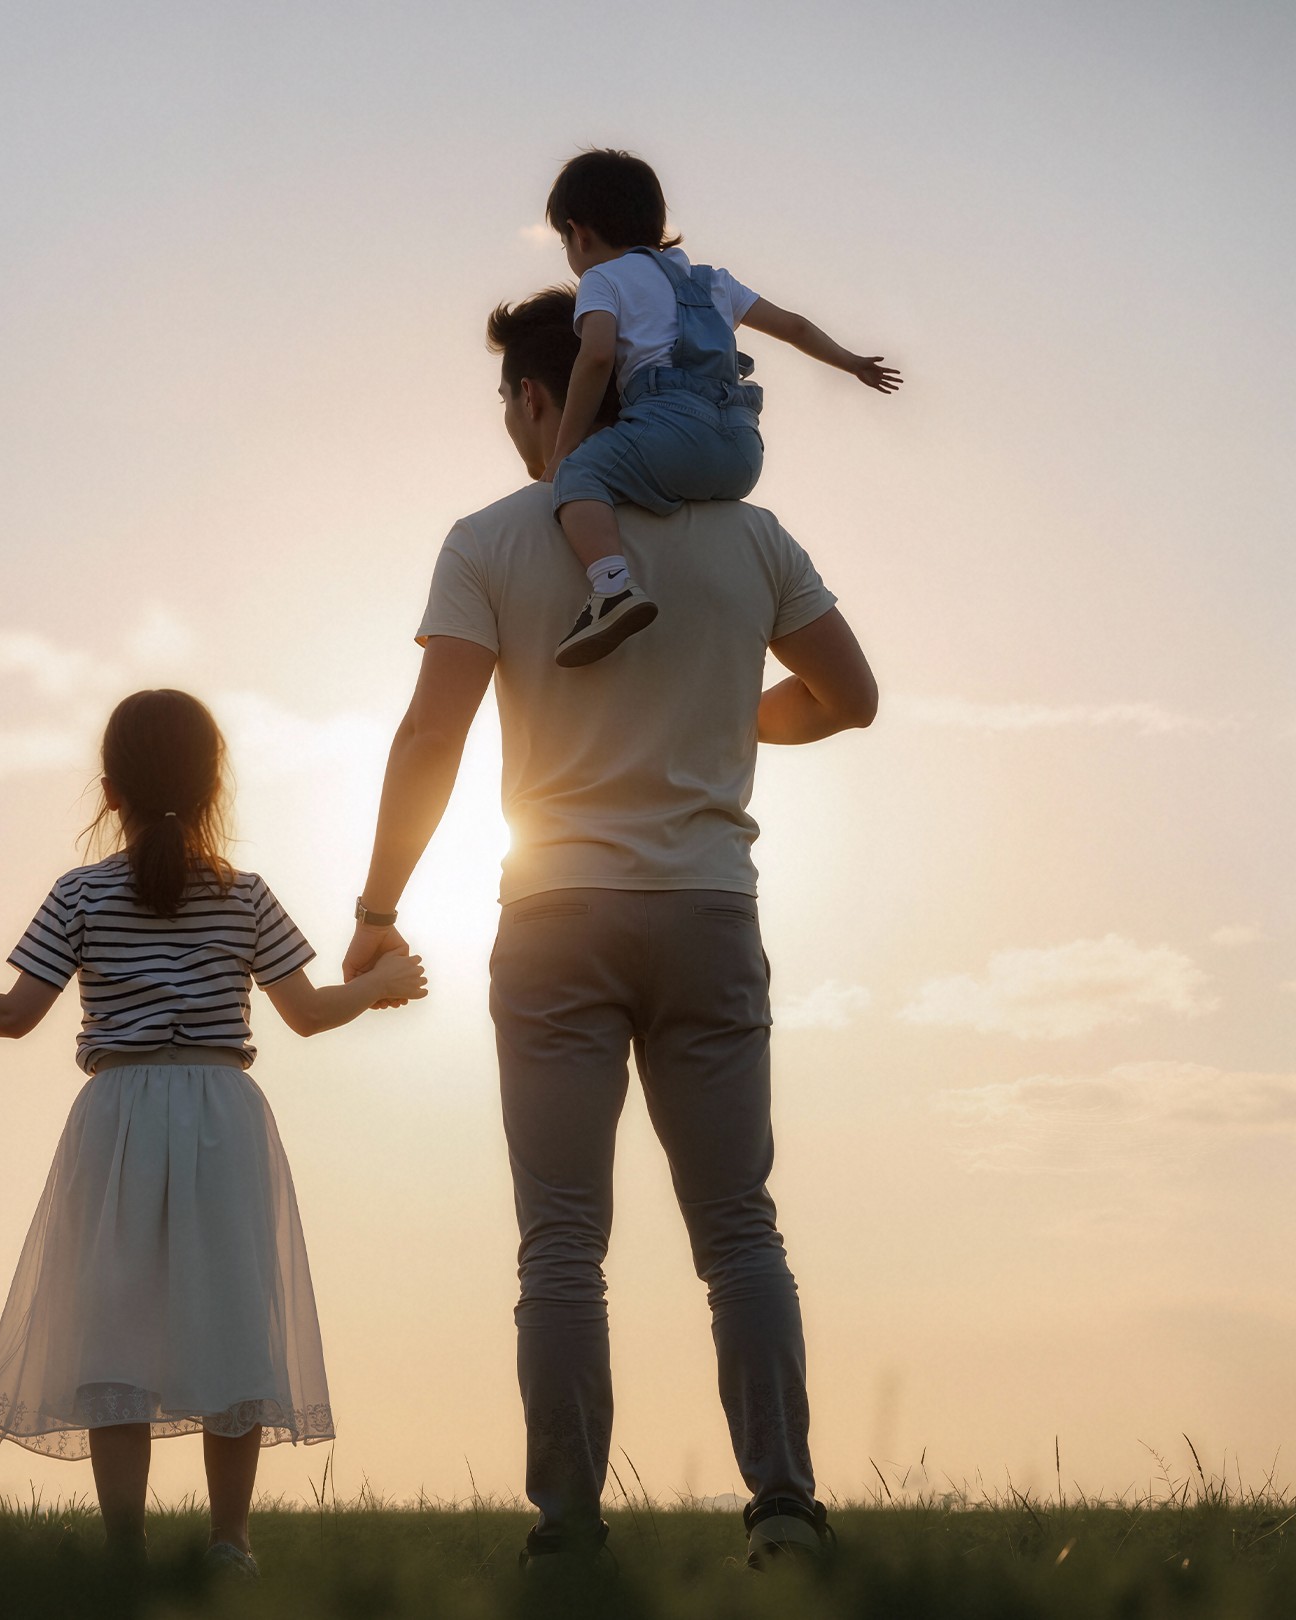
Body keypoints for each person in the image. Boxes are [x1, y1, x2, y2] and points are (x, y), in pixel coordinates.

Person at [340, 287, 882, 1571]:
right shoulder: (751, 538)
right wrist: (727, 718)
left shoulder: (492, 537)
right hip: (706, 909)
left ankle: (570, 1529)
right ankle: (787, 1511)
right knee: (738, 1228)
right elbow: (849, 698)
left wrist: (376, 907)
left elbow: (432, 734)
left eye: (508, 404)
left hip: (556, 918)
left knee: (563, 1242)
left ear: (544, 400)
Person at [0, 689, 427, 1578]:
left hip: (114, 1114)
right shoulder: (245, 895)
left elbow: (10, 1016)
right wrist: (379, 987)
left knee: (113, 1324)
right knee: (232, 1317)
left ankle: (127, 1548)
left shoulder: (79, 895)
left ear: (109, 791)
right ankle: (230, 1544)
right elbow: (306, 1014)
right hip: (221, 1110)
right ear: (212, 787)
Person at [541, 147, 901, 666]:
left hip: (668, 432)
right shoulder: (713, 282)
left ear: (578, 233)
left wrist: (561, 453)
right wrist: (852, 364)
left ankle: (611, 588)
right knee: (663, 470)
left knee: (580, 477)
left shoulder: (603, 279)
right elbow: (794, 326)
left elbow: (596, 357)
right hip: (741, 451)